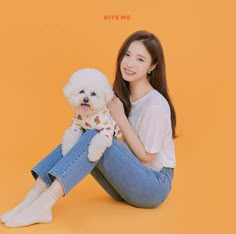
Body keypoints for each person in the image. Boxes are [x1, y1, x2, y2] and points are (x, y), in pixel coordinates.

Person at [0, 30, 177, 228]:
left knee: (97, 135)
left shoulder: (155, 104)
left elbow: (147, 157)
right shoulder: (120, 96)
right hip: (126, 186)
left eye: (140, 59)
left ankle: (44, 203)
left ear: (153, 66)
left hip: (152, 187)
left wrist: (119, 117)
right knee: (87, 131)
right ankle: (30, 200)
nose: (129, 63)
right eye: (127, 55)